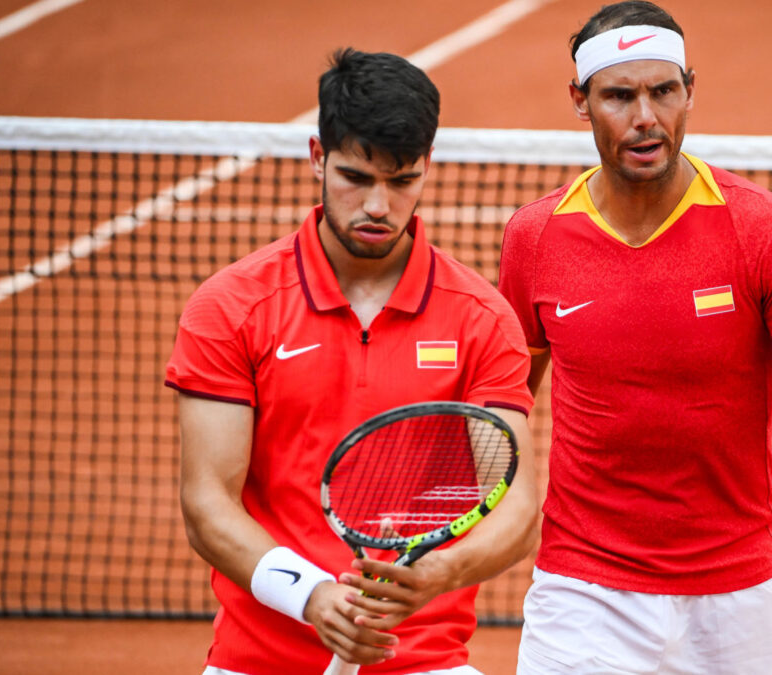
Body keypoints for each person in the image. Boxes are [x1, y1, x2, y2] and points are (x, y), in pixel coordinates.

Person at [496, 2, 772, 673]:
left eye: (663, 91)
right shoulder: (535, 239)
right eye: (619, 95)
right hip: (584, 591)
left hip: (738, 597)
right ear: (580, 102)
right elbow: (502, 402)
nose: (645, 117)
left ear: (690, 90)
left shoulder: (758, 230)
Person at [166, 48, 538, 675]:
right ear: (317, 156)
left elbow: (518, 508)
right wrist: (309, 596)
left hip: (425, 661)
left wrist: (433, 574)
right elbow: (207, 502)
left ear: (427, 168)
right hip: (256, 661)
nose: (377, 206)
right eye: (356, 177)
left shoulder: (481, 317)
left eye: (402, 181)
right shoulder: (233, 307)